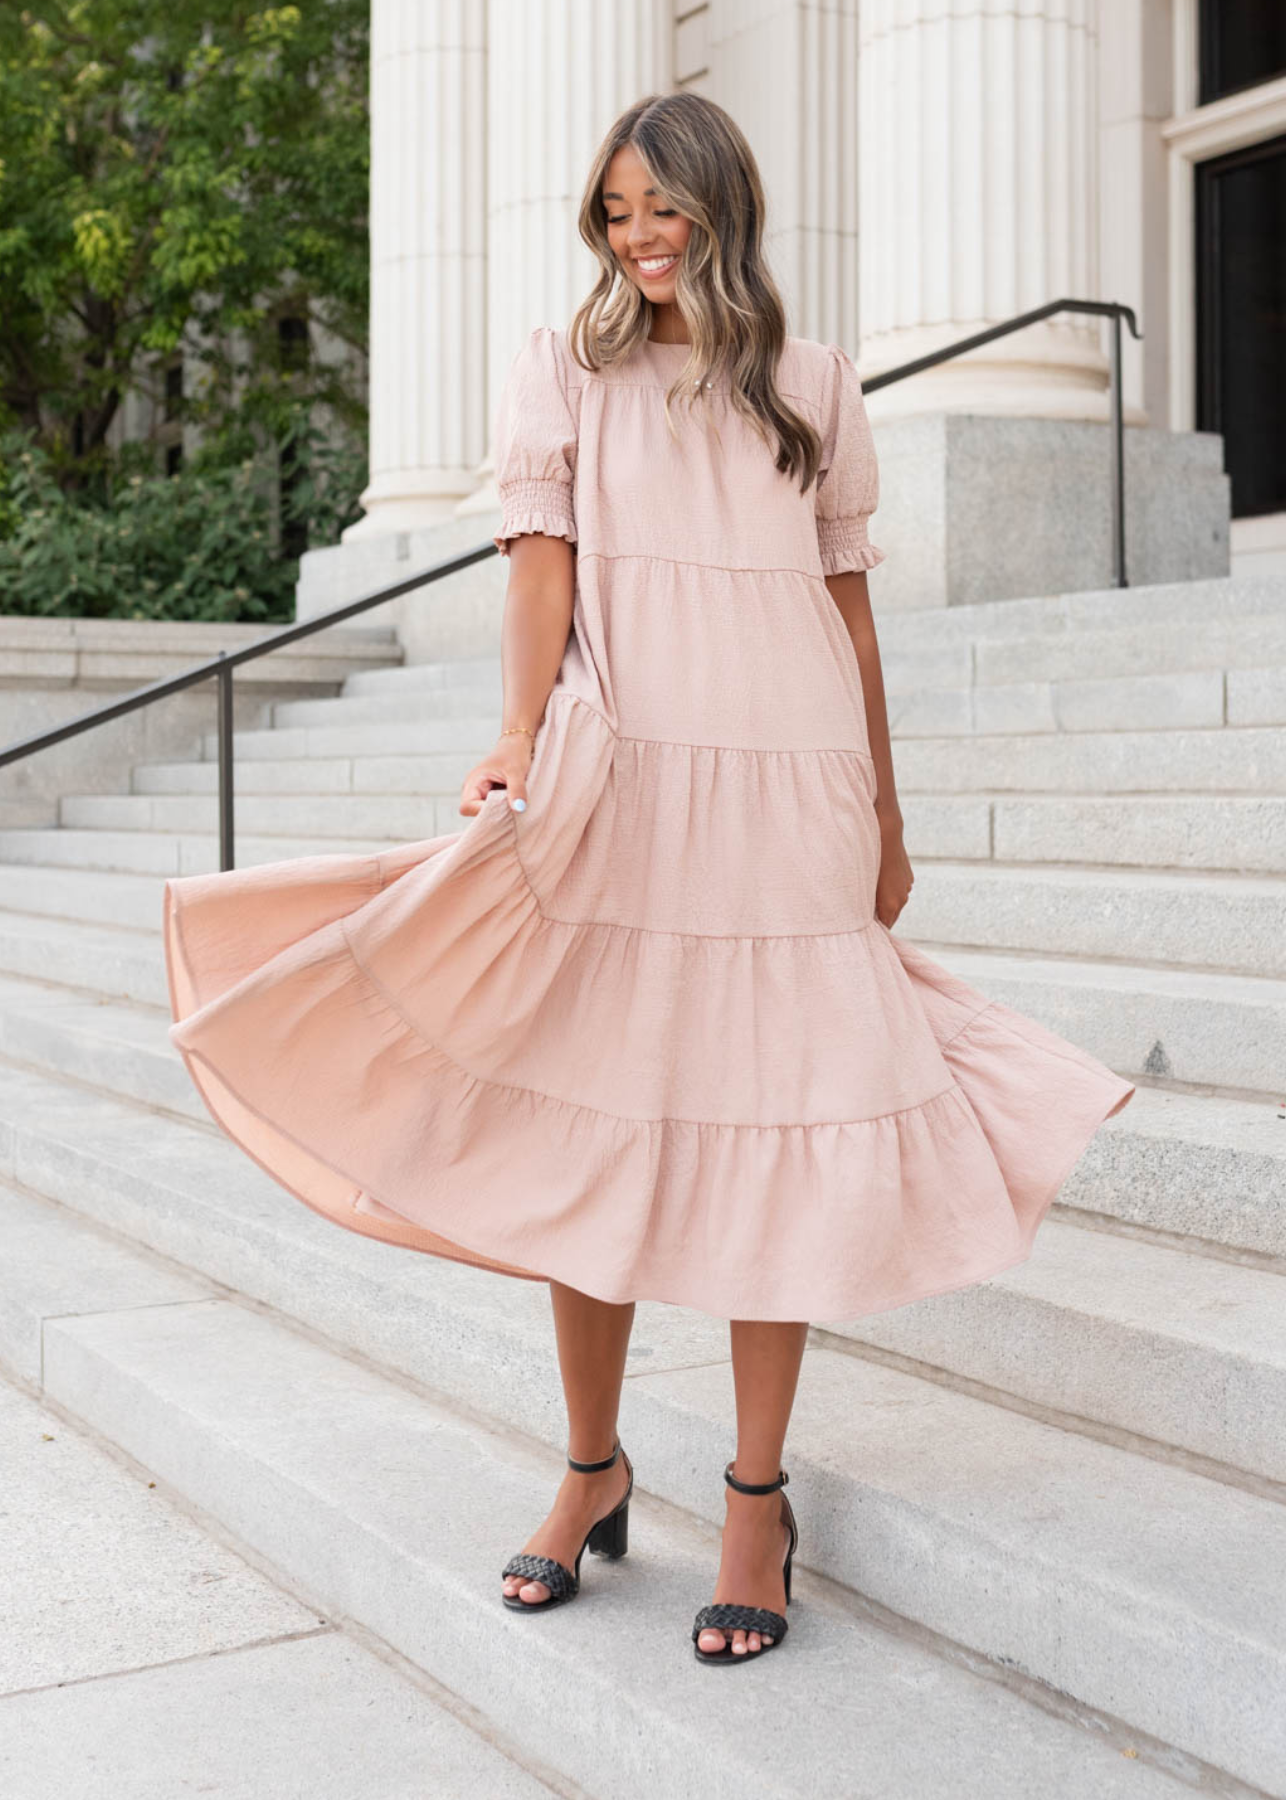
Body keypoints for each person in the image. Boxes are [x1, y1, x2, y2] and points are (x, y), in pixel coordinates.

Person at [162, 92, 1136, 1668]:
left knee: (781, 1134)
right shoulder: (567, 370)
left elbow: (851, 618)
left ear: (719, 205)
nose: (638, 234)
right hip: (633, 784)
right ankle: (591, 1466)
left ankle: (754, 1497)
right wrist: (510, 737)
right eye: (613, 211)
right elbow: (538, 571)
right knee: (590, 1130)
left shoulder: (814, 388)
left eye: (659, 205)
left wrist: (884, 815)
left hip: (795, 794)